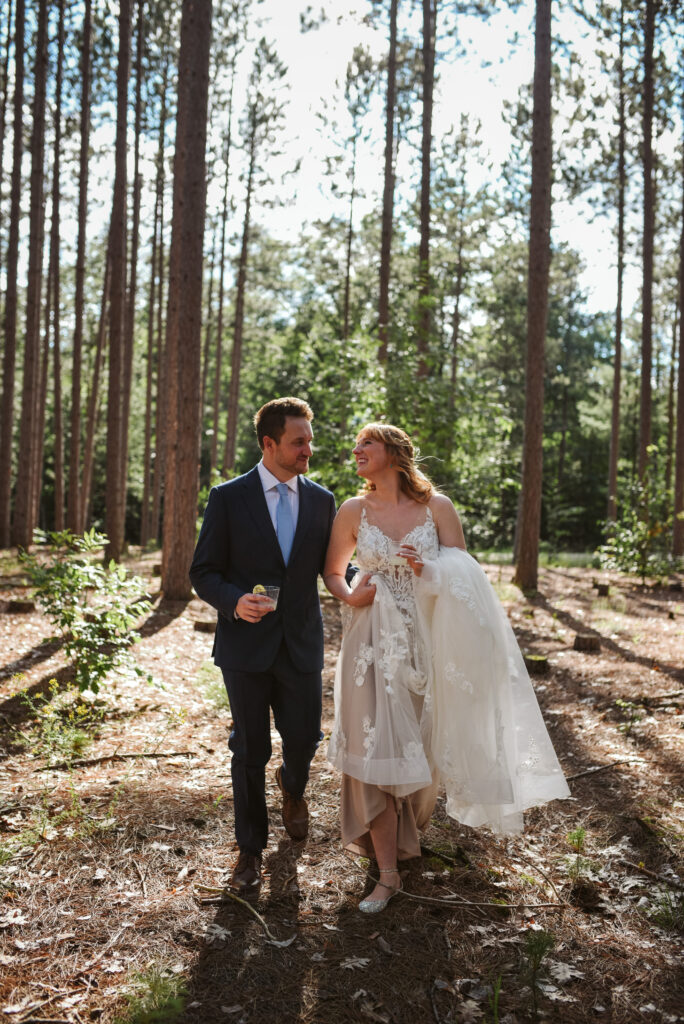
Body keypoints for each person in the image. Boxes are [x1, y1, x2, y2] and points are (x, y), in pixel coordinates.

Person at [323, 424, 570, 913]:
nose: (356, 451)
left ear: (393, 453)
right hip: (369, 645)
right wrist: (350, 594)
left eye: (366, 444)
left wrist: (427, 571)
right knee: (377, 748)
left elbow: (468, 573)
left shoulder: (438, 508)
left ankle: (404, 839)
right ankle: (388, 875)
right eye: (356, 445)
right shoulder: (352, 511)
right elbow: (333, 569)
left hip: (427, 640)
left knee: (420, 750)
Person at [189, 397, 336, 897]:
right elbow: (202, 572)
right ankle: (249, 849)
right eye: (299, 441)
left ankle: (293, 788)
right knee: (248, 749)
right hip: (245, 648)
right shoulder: (228, 498)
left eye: (309, 440)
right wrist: (234, 602)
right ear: (269, 443)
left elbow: (333, 567)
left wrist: (368, 579)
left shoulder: (322, 500)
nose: (308, 449)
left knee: (306, 738)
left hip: (301, 643)